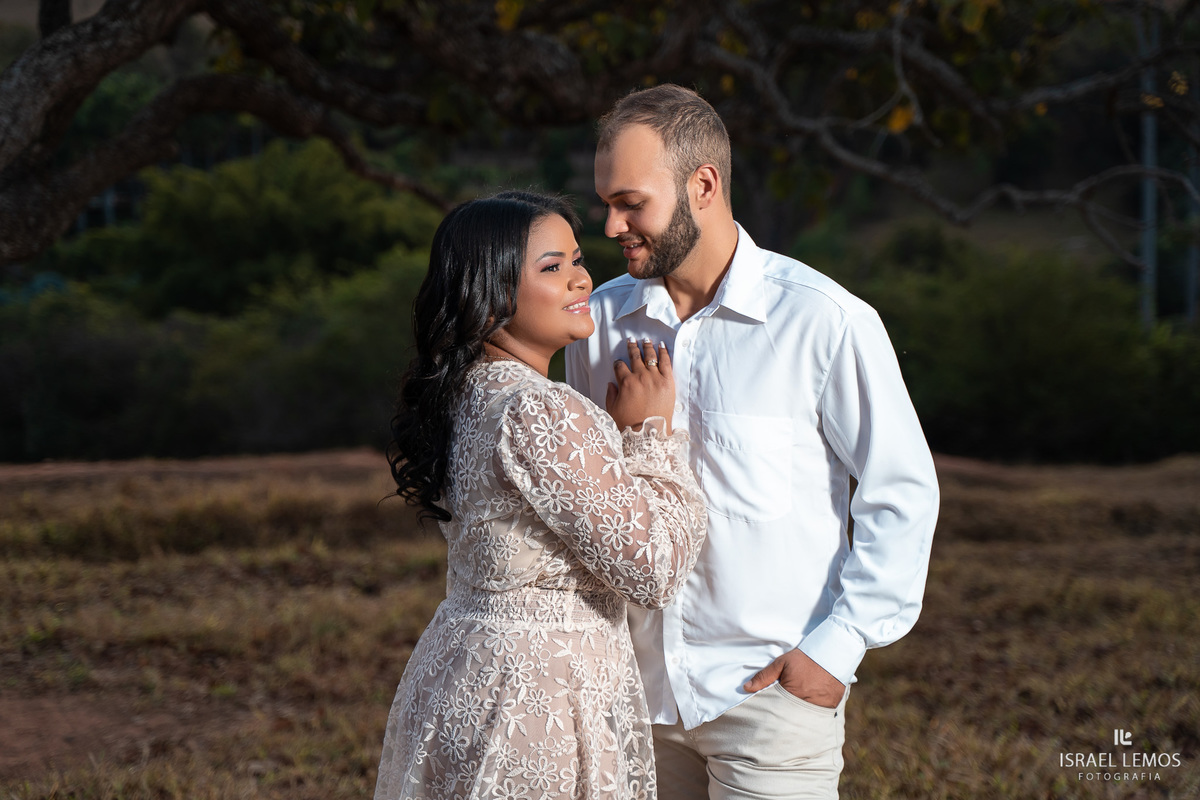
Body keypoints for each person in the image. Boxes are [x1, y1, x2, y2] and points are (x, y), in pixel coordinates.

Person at [565, 85, 940, 799]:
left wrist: (836, 649)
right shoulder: (599, 325)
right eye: (606, 203)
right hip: (634, 701)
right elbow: (591, 505)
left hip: (771, 700)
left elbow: (902, 492)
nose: (611, 225)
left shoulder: (823, 321)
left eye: (631, 203)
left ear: (703, 185)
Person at [373, 190, 708, 800]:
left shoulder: (466, 393)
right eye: (552, 267)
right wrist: (647, 436)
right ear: (490, 292)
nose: (581, 279)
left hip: (465, 671)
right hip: (534, 700)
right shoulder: (539, 408)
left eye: (577, 259)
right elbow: (655, 569)